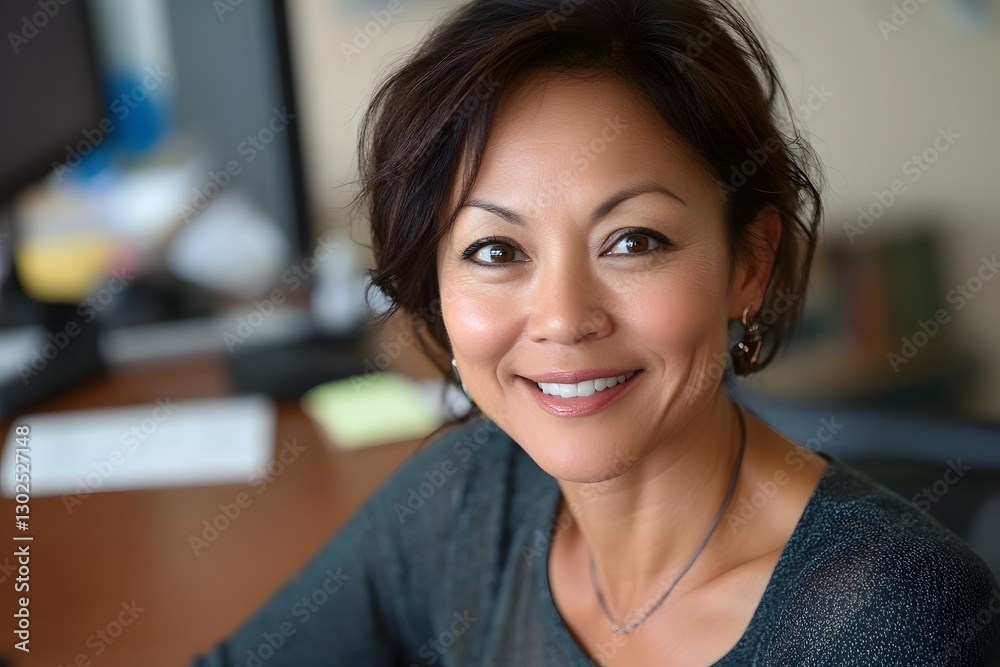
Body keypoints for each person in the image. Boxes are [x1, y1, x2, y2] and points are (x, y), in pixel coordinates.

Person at [190, 0, 1000, 664]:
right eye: (496, 250)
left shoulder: (889, 622)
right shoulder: (470, 496)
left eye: (633, 241)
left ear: (748, 265)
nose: (563, 319)